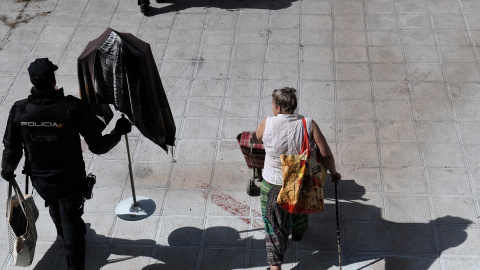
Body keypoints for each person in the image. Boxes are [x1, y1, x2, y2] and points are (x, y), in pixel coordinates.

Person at [1, 58, 132, 270]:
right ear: (54, 79)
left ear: (32, 82)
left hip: (41, 182)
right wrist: (118, 131)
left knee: (55, 206)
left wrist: (6, 170)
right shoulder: (71, 108)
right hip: (70, 181)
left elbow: (11, 149)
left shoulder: (19, 111)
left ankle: (64, 233)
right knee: (71, 224)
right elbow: (98, 146)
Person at [253, 87, 341, 270]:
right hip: (299, 180)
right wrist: (334, 172)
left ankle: (275, 266)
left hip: (272, 182)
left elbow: (256, 139)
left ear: (277, 107)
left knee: (273, 223)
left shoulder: (267, 123)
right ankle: (298, 232)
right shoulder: (308, 124)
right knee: (299, 208)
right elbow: (325, 154)